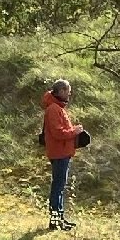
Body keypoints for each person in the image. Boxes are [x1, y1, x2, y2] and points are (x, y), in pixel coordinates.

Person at [42, 79, 84, 230]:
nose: (69, 93)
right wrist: (75, 131)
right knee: (57, 187)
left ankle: (59, 218)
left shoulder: (57, 108)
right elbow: (58, 133)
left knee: (59, 187)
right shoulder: (54, 109)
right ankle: (55, 221)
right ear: (60, 92)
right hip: (59, 153)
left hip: (62, 152)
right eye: (68, 91)